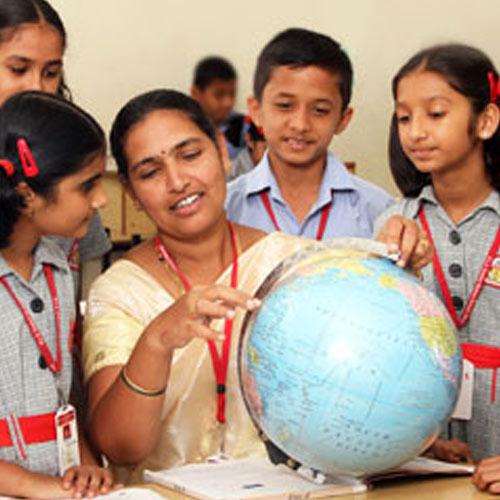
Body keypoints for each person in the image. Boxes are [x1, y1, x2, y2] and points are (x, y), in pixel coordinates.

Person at [82, 88, 430, 485]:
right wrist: (156, 341)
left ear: (222, 152)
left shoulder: (293, 265)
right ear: (131, 193)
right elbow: (122, 448)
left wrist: (398, 264)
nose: (177, 181)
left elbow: (370, 377)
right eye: (150, 173)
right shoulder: (119, 291)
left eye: (190, 155)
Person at [373, 43, 500, 494]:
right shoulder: (393, 223)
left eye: (436, 113)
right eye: (404, 117)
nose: (416, 132)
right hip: (422, 468)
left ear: (485, 121)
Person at [0, 91, 120, 498]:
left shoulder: (59, 269)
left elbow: (61, 395)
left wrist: (85, 465)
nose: (102, 199)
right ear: (25, 195)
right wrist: (36, 487)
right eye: (87, 186)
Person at [226, 28, 392, 240]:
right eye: (285, 105)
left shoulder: (379, 211)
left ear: (343, 119)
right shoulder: (225, 209)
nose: (300, 124)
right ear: (256, 111)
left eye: (320, 110)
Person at [0, 0, 111, 296]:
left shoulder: (67, 160)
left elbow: (89, 277)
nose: (37, 88)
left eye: (50, 73)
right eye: (18, 69)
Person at [191, 56, 246, 160]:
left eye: (232, 94)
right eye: (219, 95)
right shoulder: (186, 126)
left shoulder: (243, 126)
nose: (228, 103)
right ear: (196, 93)